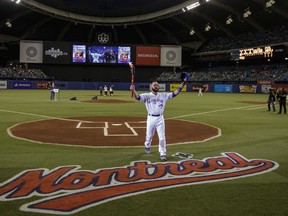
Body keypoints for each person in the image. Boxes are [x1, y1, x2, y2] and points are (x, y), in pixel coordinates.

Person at [130, 79, 186, 162]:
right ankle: (147, 145)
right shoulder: (146, 95)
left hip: (160, 118)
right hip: (150, 118)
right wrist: (133, 90)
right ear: (150, 87)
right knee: (149, 135)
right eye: (154, 85)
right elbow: (137, 97)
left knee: (162, 137)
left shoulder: (163, 95)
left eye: (157, 85)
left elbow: (174, 94)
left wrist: (181, 86)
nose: (156, 86)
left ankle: (162, 153)